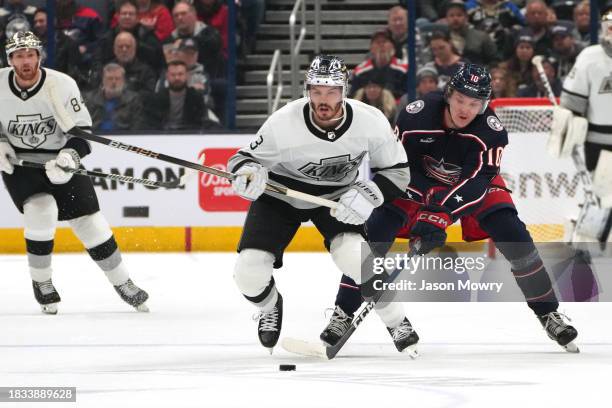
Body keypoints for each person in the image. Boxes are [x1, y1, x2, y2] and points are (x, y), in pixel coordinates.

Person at [324, 63, 580, 353]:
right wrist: (427, 202)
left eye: (475, 103)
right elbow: (397, 166)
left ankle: (548, 312)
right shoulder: (415, 114)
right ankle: (343, 312)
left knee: (515, 236)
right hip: (415, 181)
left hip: (470, 186)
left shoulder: (491, 132)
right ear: (448, 94)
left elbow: (477, 182)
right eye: (460, 99)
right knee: (375, 236)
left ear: (484, 104)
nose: (465, 109)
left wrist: (440, 213)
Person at [227, 55, 416, 354]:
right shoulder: (284, 122)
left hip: (337, 197)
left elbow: (398, 171)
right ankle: (270, 305)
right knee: (248, 273)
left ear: (344, 91)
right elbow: (242, 160)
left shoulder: (370, 120)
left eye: (331, 91)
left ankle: (398, 321)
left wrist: (371, 192)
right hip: (280, 194)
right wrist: (246, 174)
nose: (323, 99)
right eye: (316, 90)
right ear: (307, 90)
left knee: (356, 258)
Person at [0, 32, 149, 314]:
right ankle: (42, 282)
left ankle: (122, 282)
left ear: (39, 57)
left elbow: (82, 134)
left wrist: (69, 156)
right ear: (10, 60)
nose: (26, 61)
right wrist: (1, 144)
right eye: (19, 56)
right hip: (21, 164)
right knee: (40, 210)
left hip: (60, 158)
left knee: (91, 224)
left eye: (30, 54)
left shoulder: (61, 85)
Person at [557, 9, 612, 243]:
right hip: (600, 142)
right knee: (602, 195)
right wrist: (567, 129)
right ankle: (583, 241)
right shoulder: (590, 57)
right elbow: (572, 102)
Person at [147, 60, 219, 130]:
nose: (177, 78)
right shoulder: (157, 98)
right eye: (173, 75)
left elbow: (202, 122)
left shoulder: (196, 97)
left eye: (180, 74)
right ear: (167, 76)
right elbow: (152, 124)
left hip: (189, 136)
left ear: (187, 76)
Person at [84, 63, 145, 132]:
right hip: (96, 138)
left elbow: (137, 127)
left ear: (123, 81)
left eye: (117, 78)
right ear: (103, 80)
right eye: (110, 78)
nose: (114, 82)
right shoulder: (89, 99)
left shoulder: (133, 100)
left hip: (124, 139)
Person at [350, 29, 408, 99]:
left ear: (392, 47)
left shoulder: (404, 68)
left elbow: (407, 95)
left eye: (384, 42)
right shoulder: (360, 71)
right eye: (377, 42)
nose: (381, 45)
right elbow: (354, 96)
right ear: (371, 48)